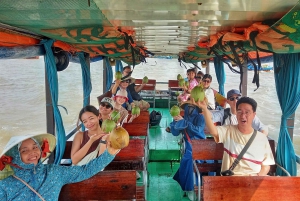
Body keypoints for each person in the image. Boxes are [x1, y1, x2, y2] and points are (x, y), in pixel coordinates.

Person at [0, 133, 119, 200]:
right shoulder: (5, 185)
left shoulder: (54, 172)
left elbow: (85, 170)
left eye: (35, 147)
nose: (32, 153)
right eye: (24, 151)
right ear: (14, 157)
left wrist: (109, 154)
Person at [194, 96, 275, 176]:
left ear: (254, 115)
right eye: (239, 112)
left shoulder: (262, 138)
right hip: (231, 181)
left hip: (253, 181)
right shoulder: (229, 131)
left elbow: (266, 165)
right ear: (236, 113)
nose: (243, 116)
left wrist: (256, 179)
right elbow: (213, 131)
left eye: (247, 112)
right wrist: (204, 109)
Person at [169, 100, 206, 200]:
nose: (190, 109)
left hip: (201, 145)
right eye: (188, 106)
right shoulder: (182, 117)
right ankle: (189, 188)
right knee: (189, 159)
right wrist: (174, 123)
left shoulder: (200, 117)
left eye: (192, 106)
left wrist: (185, 122)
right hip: (189, 146)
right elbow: (175, 133)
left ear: (196, 108)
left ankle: (205, 185)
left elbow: (198, 130)